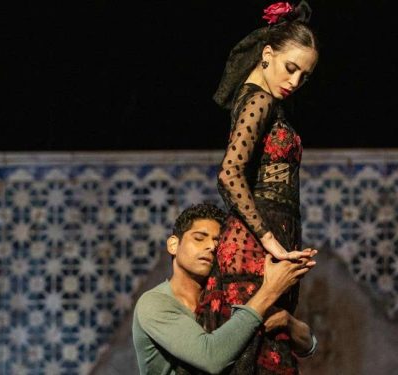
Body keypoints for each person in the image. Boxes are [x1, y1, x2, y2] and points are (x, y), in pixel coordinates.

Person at [198, 1, 320, 374]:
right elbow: (229, 174)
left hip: (265, 241)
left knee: (267, 347)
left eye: (305, 75)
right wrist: (270, 240)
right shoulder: (259, 100)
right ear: (267, 54)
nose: (295, 82)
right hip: (253, 246)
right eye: (290, 68)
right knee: (256, 356)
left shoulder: (263, 101)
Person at [132, 203, 317, 375]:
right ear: (173, 245)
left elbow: (309, 346)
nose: (211, 246)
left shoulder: (223, 297)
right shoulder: (154, 303)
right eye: (199, 238)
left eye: (217, 241)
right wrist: (270, 290)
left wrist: (287, 321)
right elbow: (211, 357)